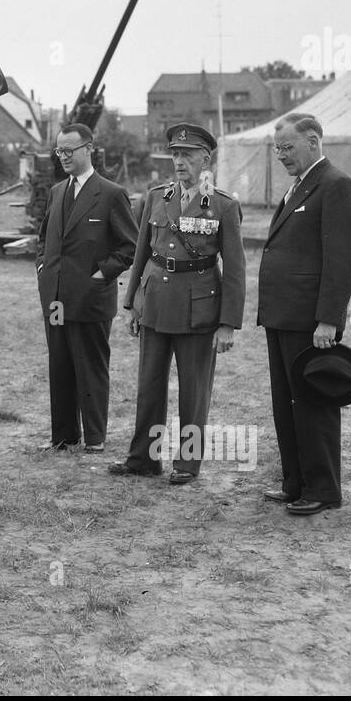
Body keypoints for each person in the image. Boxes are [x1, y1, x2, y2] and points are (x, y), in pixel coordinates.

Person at [108, 123, 245, 485]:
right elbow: (141, 254)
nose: (179, 161)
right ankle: (143, 459)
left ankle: (187, 463)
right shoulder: (156, 197)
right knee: (148, 385)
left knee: (194, 390)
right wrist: (131, 303)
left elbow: (235, 269)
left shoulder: (222, 205)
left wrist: (228, 322)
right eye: (175, 154)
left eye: (187, 155)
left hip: (198, 307)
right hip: (154, 302)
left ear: (206, 159)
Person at [258, 113, 351, 515]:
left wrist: (329, 319)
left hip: (309, 321)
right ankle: (295, 482)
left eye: (288, 148)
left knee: (314, 403)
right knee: (287, 404)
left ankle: (323, 489)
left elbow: (341, 260)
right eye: (277, 149)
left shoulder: (335, 185)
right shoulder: (299, 187)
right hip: (283, 317)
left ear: (313, 142)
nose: (281, 156)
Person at [35, 124, 138, 452]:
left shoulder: (111, 194)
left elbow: (130, 247)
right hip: (55, 299)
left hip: (91, 300)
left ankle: (95, 438)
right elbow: (43, 239)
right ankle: (63, 437)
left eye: (69, 150)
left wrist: (99, 276)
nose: (63, 157)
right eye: (59, 151)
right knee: (60, 366)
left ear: (88, 149)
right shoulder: (56, 192)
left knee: (91, 369)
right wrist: (43, 270)